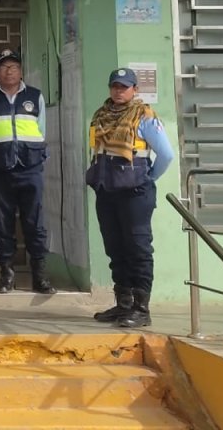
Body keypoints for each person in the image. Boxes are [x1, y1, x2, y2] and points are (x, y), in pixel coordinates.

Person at [85, 68, 175, 329]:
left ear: (135, 90)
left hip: (135, 193)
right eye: (115, 86)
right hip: (107, 190)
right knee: (115, 248)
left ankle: (141, 308)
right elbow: (95, 150)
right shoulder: (99, 116)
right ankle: (123, 304)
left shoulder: (144, 117)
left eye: (124, 87)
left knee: (138, 248)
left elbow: (166, 155)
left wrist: (147, 178)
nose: (119, 91)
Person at [0, 49, 55, 295]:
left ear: (21, 70)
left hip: (30, 168)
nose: (9, 71)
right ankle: (7, 275)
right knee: (1, 223)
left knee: (35, 223)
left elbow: (42, 131)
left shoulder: (35, 96)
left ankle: (39, 275)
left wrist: (37, 155)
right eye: (4, 67)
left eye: (14, 66)